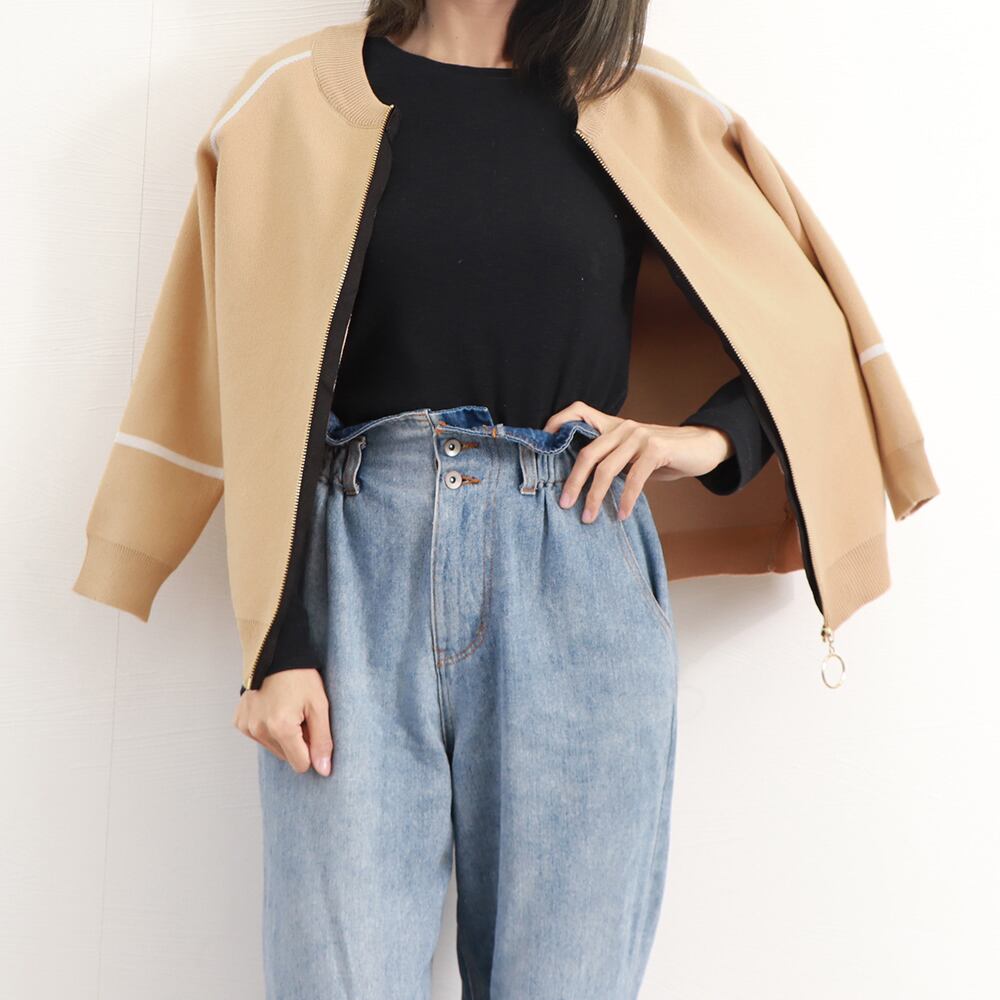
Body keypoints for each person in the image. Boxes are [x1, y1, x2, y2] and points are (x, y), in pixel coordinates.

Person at [71, 1, 940, 997]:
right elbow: (251, 367)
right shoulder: (292, 101)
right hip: (358, 576)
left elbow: (809, 334)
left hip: (578, 571)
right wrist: (276, 646)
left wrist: (703, 440)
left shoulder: (642, 102)